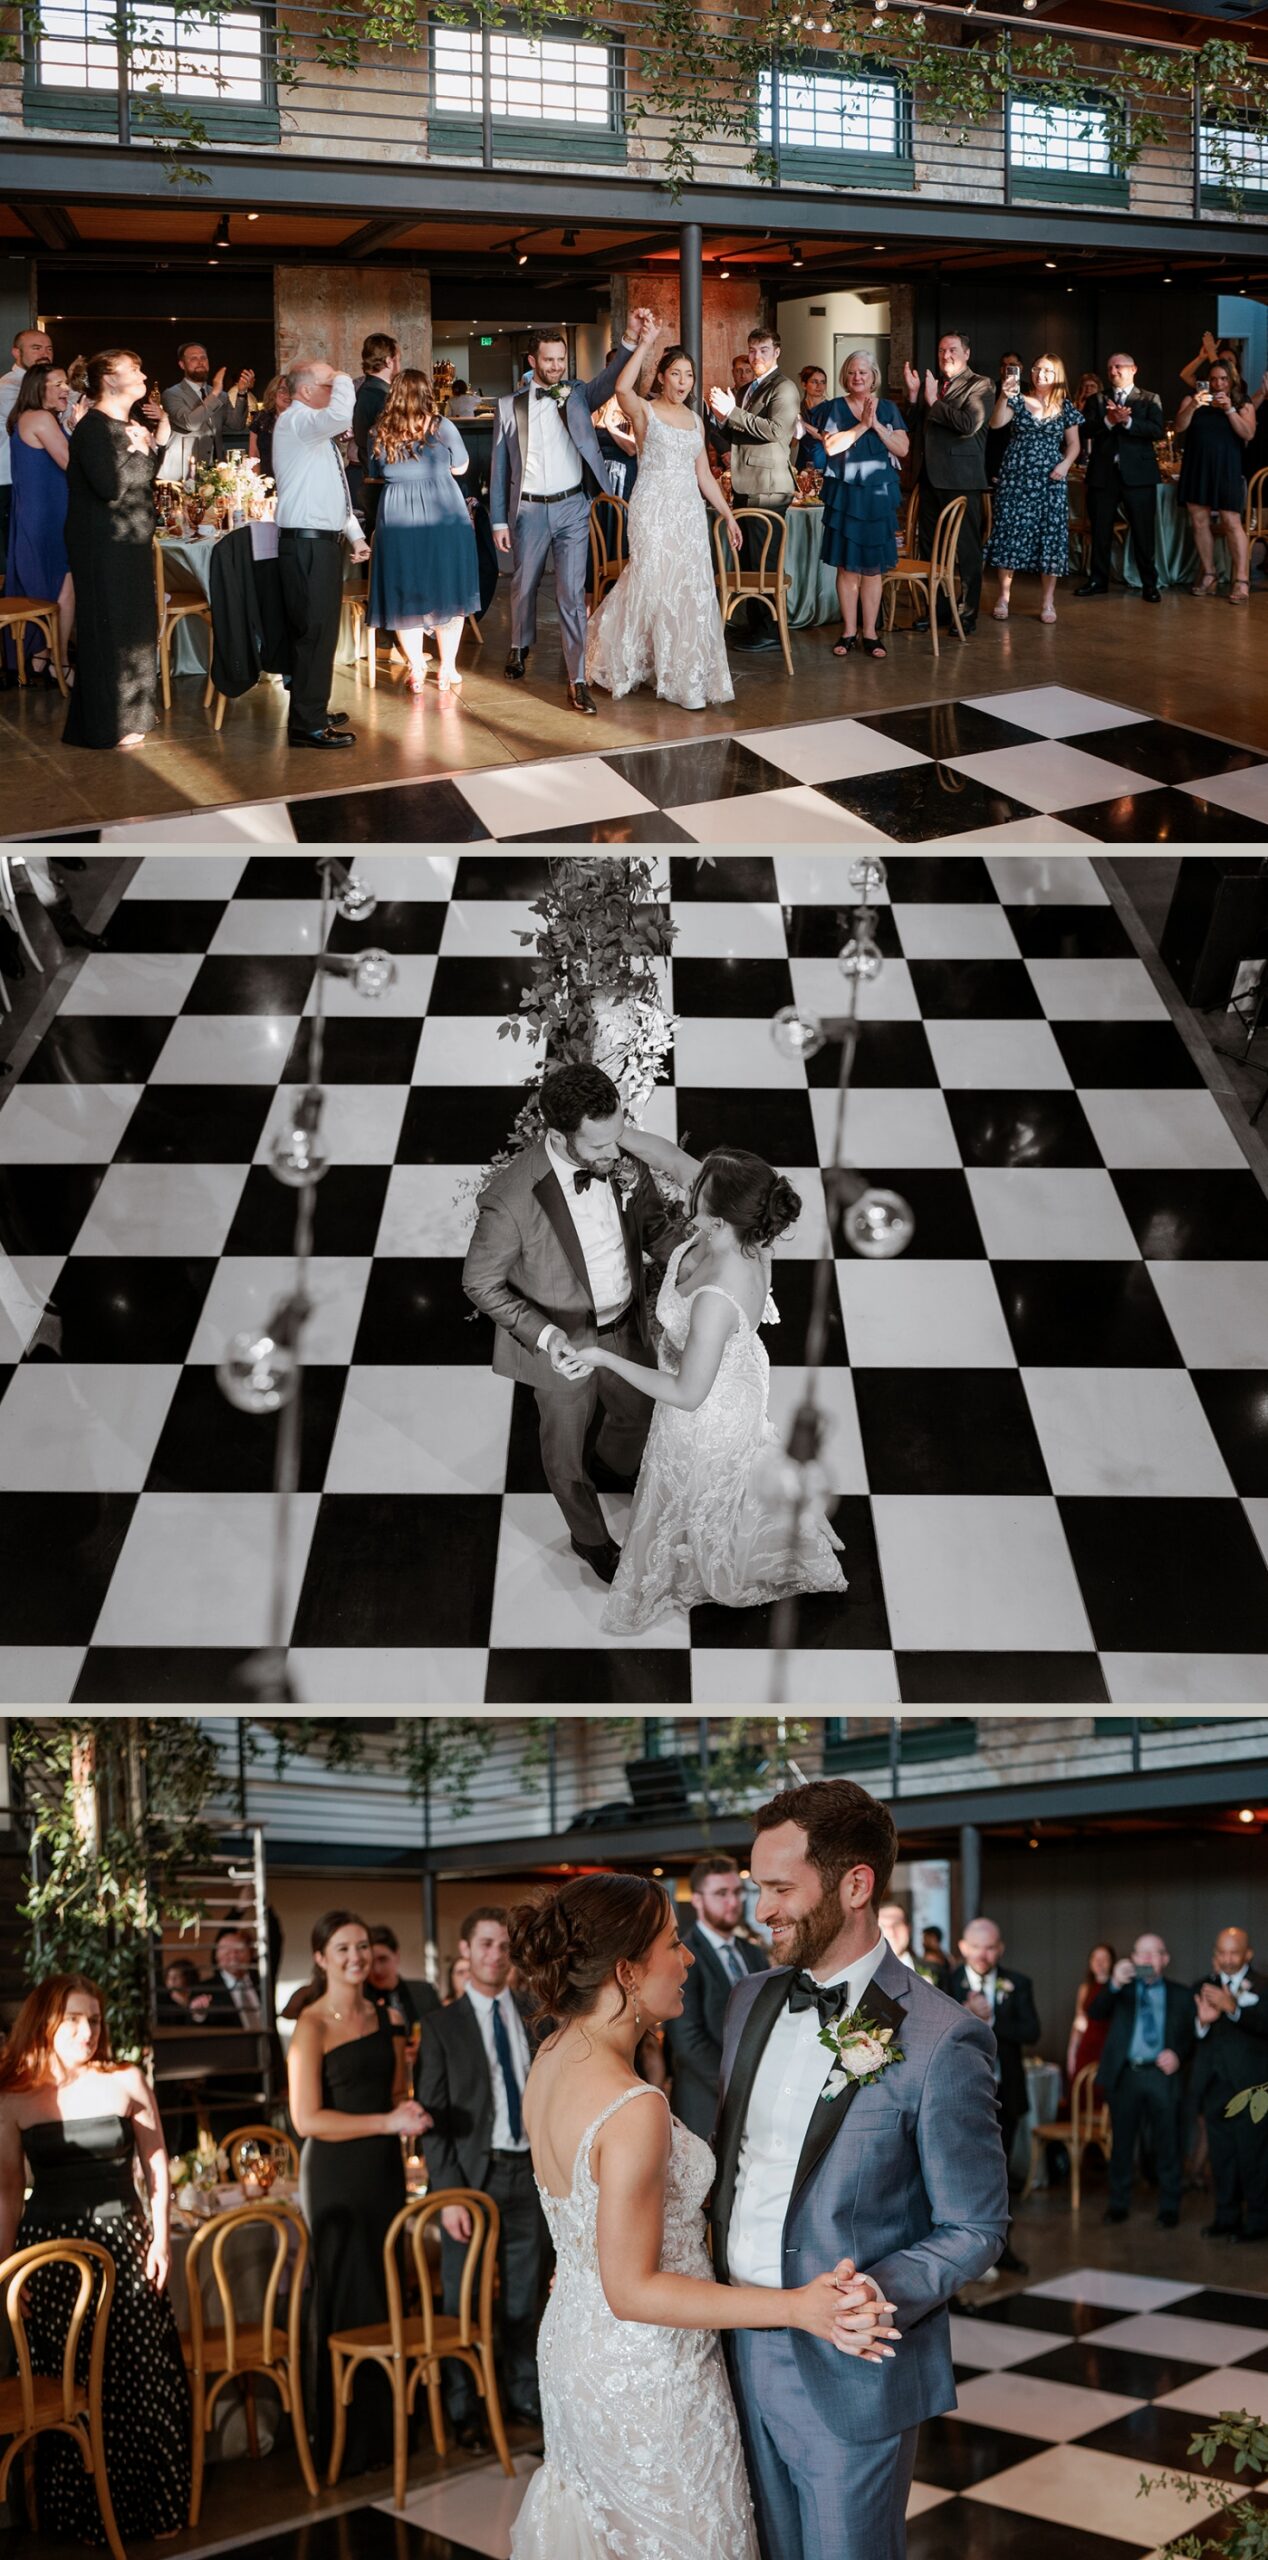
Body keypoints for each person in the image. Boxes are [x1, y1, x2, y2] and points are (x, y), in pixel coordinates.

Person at [507, 1870, 896, 2560]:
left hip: (576, 2344)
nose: (686, 1959)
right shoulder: (635, 2108)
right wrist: (797, 2307)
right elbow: (633, 2291)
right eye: (672, 1943)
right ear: (626, 1971)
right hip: (651, 2367)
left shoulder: (552, 2054)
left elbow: (579, 2216)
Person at [714, 1780, 1008, 2560]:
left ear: (854, 1885)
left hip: (851, 2365)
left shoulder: (943, 2038)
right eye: (757, 1887)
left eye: (780, 1889)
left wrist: (882, 2293)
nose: (761, 1909)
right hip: (736, 2344)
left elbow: (976, 2225)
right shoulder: (747, 2001)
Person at [561, 1129, 847, 1633]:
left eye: (697, 1188)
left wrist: (605, 1360)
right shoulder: (744, 1224)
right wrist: (608, 1130)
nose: (685, 1185)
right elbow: (672, 1158)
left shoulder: (717, 1298)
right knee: (722, 1487)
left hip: (706, 1405)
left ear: (715, 1217)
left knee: (701, 1490)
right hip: (732, 1372)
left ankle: (726, 1561)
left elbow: (687, 1395)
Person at [461, 1060, 684, 1588]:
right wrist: (544, 1334)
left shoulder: (621, 1158)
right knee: (564, 1453)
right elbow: (480, 1283)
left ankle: (612, 1466)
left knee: (637, 1412)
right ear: (559, 1137)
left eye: (618, 1137)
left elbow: (655, 1231)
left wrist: (698, 1272)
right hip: (562, 1346)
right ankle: (589, 1537)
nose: (617, 1154)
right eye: (600, 1147)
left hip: (625, 1326)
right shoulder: (511, 1199)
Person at [0, 1973, 192, 2542]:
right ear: (45, 2024)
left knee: (138, 2374)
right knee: (65, 2385)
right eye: (74, 2020)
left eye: (95, 2020)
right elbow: (9, 2190)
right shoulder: (13, 2096)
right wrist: (5, 2267)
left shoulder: (126, 2079)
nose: (88, 2031)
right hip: (50, 2256)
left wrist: (160, 2239)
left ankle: (151, 2507)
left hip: (125, 2247)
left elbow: (157, 2165)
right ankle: (74, 2517)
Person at [287, 1908, 428, 2473]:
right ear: (321, 1958)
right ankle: (345, 2443)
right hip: (336, 2178)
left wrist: (407, 2111)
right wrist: (385, 2124)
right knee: (347, 2291)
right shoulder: (311, 2024)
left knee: (386, 2284)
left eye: (362, 1947)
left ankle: (389, 2430)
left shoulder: (388, 2015)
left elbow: (395, 2090)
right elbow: (305, 2120)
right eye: (343, 1948)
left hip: (383, 2171)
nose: (356, 1957)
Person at [415, 1906, 550, 2445]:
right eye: (486, 1944)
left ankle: (522, 2396)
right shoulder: (440, 2025)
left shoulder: (535, 2013)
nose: (496, 1954)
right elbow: (433, 2117)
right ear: (466, 1952)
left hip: (529, 2176)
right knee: (466, 2300)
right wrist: (448, 2194)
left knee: (525, 2297)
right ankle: (462, 2407)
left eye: (504, 1946)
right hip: (472, 2180)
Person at [490, 308, 657, 715]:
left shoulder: (579, 394)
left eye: (561, 360)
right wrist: (498, 519)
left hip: (572, 508)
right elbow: (499, 467)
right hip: (528, 510)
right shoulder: (508, 406)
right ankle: (518, 644)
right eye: (548, 360)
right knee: (524, 585)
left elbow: (612, 377)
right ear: (532, 362)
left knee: (570, 595)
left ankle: (576, 679)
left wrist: (632, 339)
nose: (556, 366)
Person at [586, 332, 740, 712]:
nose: (683, 382)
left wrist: (727, 513)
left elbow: (703, 475)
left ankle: (682, 675)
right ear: (661, 377)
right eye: (675, 374)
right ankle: (620, 659)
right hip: (653, 509)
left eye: (688, 375)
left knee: (689, 590)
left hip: (688, 513)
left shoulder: (696, 420)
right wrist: (644, 344)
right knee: (651, 583)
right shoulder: (645, 411)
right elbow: (621, 386)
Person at [63, 347, 170, 752]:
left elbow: (140, 478)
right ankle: (110, 725)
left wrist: (146, 447)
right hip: (102, 545)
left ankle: (132, 717)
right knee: (113, 632)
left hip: (127, 541)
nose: (143, 374)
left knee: (133, 628)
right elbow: (110, 486)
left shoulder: (125, 424)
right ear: (109, 379)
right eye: (134, 369)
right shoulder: (94, 427)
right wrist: (141, 449)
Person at [272, 358, 370, 749]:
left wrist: (355, 534)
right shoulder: (297, 422)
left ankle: (311, 708)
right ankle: (306, 724)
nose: (334, 388)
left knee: (320, 632)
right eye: (327, 383)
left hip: (321, 542)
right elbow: (342, 412)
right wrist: (345, 376)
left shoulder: (313, 433)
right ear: (306, 391)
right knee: (314, 633)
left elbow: (335, 492)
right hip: (306, 544)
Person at [366, 367, 479, 695]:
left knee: (406, 591)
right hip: (443, 508)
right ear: (426, 393)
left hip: (398, 513)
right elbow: (461, 466)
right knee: (449, 589)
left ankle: (416, 666)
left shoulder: (379, 430)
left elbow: (375, 470)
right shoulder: (442, 427)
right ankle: (447, 667)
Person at [947, 1918, 1039, 2272]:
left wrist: (994, 2021)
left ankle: (1003, 2248)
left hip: (1006, 2092)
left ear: (999, 1948)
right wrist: (967, 2017)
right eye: (976, 1946)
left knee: (1001, 2176)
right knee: (959, 2175)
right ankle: (964, 2254)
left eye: (990, 1947)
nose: (983, 1954)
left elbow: (1032, 2030)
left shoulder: (1018, 1983)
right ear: (963, 1947)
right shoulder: (946, 1983)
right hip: (959, 2093)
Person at [1088, 1932, 1196, 2227]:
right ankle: (1118, 2204)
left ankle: (1169, 2207)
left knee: (1168, 2143)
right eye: (1142, 1954)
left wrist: (1178, 2054)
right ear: (1133, 1959)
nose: (1148, 1959)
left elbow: (1191, 2038)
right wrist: (1112, 1983)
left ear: (1165, 1959)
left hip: (1161, 2075)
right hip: (1127, 2076)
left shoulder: (1181, 1994)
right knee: (1122, 2144)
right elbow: (1095, 2013)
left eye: (1154, 1953)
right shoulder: (1122, 1990)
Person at [706, 328, 800, 650]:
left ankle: (772, 631)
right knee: (748, 560)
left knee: (765, 561)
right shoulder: (747, 388)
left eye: (762, 350)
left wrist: (732, 413)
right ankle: (754, 624)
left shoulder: (784, 387)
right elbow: (740, 434)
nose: (755, 357)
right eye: (751, 350)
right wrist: (721, 419)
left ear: (777, 352)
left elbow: (776, 431)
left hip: (769, 486)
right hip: (746, 482)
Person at [665, 1855, 769, 2139]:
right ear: (697, 1899)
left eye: (737, 1892)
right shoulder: (683, 1956)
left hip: (760, 2104)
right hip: (707, 2105)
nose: (733, 1902)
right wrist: (742, 2087)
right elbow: (689, 2042)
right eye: (721, 1894)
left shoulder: (753, 1952)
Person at [814, 350, 909, 662]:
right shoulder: (834, 407)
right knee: (847, 567)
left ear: (873, 377)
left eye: (863, 373)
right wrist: (861, 426)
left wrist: (876, 426)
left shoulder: (890, 409)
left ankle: (870, 633)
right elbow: (830, 446)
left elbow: (903, 448)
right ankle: (848, 630)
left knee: (872, 570)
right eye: (852, 372)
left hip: (878, 497)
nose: (857, 377)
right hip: (846, 496)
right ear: (846, 375)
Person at [902, 331, 993, 632]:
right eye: (941, 350)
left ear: (966, 353)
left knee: (965, 549)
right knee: (930, 548)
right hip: (929, 477)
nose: (946, 356)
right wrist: (916, 397)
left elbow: (968, 425)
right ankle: (937, 610)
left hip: (961, 480)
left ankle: (967, 614)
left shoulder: (981, 384)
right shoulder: (935, 386)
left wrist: (932, 400)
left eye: (952, 350)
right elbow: (913, 427)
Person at [985, 353, 1081, 624]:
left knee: (1050, 537)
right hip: (1016, 476)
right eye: (1037, 369)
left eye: (1048, 371)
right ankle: (1004, 596)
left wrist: (1064, 465)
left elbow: (1074, 444)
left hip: (1050, 479)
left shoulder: (1066, 406)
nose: (1041, 375)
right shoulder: (1017, 399)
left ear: (1057, 376)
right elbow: (995, 424)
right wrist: (1004, 395)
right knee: (1009, 533)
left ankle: (1048, 601)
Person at [1193, 1925, 1268, 2242]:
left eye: (1233, 1952)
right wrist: (1202, 2022)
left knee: (1255, 2156)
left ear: (1247, 1954)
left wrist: (1234, 2009)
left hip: (1253, 2089)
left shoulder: (1264, 1987)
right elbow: (1191, 2037)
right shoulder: (1203, 1986)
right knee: (1222, 2156)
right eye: (1221, 1952)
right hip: (1216, 2087)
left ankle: (1259, 2221)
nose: (1227, 1959)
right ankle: (1226, 2216)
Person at [1075, 353, 1164, 602]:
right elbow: (1085, 429)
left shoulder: (1149, 399)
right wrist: (1109, 420)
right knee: (1100, 529)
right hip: (1104, 474)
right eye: (1110, 367)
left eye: (1118, 366)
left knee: (1143, 532)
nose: (1113, 371)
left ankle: (1149, 584)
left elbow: (1156, 431)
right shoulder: (1097, 400)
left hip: (1139, 475)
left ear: (1133, 369)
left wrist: (1128, 422)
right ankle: (1097, 580)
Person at [5, 362, 74, 682]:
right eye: (58, 384)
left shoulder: (30, 418)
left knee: (50, 585)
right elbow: (72, 465)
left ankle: (42, 656)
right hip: (49, 515)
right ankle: (54, 662)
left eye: (66, 383)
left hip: (39, 512)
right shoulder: (41, 418)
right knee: (63, 583)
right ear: (38, 388)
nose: (66, 389)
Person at [1176, 358, 1255, 604]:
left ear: (1231, 380)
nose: (1218, 384)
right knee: (1199, 520)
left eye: (1223, 379)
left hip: (1227, 468)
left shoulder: (1243, 403)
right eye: (1213, 379)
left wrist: (1230, 409)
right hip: (1197, 466)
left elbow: (1248, 433)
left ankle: (1241, 580)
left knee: (1232, 521)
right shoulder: (1193, 400)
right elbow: (1179, 427)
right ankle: (1209, 574)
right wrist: (1193, 407)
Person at [0, 325, 55, 576]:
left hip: (34, 480)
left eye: (49, 348)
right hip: (8, 483)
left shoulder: (51, 384)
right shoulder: (8, 387)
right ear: (16, 353)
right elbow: (37, 417)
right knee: (18, 556)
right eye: (36, 348)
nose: (45, 353)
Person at [162, 341, 253, 461]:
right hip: (183, 468)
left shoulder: (221, 395)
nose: (200, 362)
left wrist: (241, 393)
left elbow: (237, 425)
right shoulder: (172, 394)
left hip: (214, 467)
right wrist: (214, 393)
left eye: (203, 357)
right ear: (182, 364)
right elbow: (190, 424)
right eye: (193, 358)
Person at [352, 330, 400, 536]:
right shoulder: (381, 397)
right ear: (389, 361)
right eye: (398, 359)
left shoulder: (366, 390)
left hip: (373, 482)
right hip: (382, 485)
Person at [366, 1922, 442, 2042]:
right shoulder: (362, 1999)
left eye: (383, 1959)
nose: (377, 1969)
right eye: (371, 1962)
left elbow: (441, 2034)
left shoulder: (424, 1992)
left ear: (396, 1956)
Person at [1066, 1941, 1115, 2091]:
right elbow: (1079, 2021)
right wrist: (1072, 2052)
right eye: (1095, 1958)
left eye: (1104, 1959)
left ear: (1112, 1962)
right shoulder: (1085, 1988)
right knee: (1082, 2087)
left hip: (1110, 2045)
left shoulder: (1117, 1988)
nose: (1099, 1963)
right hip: (1088, 2044)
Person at [985, 353, 1022, 485]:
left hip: (1022, 454)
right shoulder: (989, 389)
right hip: (996, 451)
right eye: (1004, 365)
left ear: (1020, 367)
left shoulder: (1030, 390)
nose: (1007, 369)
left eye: (1011, 365)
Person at [249, 373, 290, 480]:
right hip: (266, 482)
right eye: (282, 390)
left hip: (293, 481)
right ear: (273, 393)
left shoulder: (301, 420)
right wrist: (256, 484)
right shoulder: (261, 418)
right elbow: (254, 455)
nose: (288, 395)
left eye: (292, 390)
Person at [792, 364, 830, 471]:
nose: (819, 386)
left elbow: (827, 438)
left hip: (823, 463)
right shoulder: (797, 408)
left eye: (823, 382)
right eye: (814, 382)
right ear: (804, 385)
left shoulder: (831, 408)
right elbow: (792, 443)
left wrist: (803, 424)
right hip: (802, 463)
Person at [157, 1954, 213, 2025]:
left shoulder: (198, 1995)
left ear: (187, 1977)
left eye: (176, 1977)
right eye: (168, 1977)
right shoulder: (163, 2001)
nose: (171, 1981)